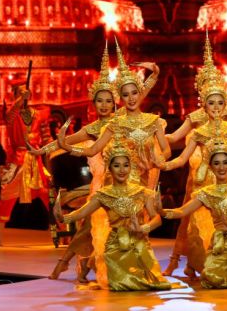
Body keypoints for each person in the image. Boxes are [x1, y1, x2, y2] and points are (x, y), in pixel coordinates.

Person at [30, 43, 159, 282]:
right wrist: (40, 149)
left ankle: (87, 267)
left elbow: (140, 94)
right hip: (103, 182)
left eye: (109, 100)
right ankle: (77, 266)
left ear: (115, 102)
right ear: (94, 102)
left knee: (119, 225)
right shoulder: (93, 128)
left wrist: (155, 74)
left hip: (126, 178)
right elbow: (64, 141)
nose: (104, 105)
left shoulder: (120, 118)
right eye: (99, 101)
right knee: (94, 225)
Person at [161, 33, 227, 277]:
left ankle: (222, 264)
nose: (212, 97)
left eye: (215, 90)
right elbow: (175, 141)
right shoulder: (196, 119)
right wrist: (155, 130)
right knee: (192, 222)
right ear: (201, 92)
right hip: (200, 176)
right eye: (205, 86)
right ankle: (189, 261)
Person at [55, 139, 172, 291]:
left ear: (131, 167)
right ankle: (78, 267)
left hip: (139, 246)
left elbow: (157, 219)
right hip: (115, 249)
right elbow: (81, 213)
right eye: (117, 166)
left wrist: (143, 228)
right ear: (109, 168)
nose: (122, 170)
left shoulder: (143, 193)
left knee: (150, 284)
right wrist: (62, 217)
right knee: (121, 285)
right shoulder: (104, 195)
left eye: (125, 165)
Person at [56, 38, 170, 190]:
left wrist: (158, 160)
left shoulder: (152, 121)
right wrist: (67, 147)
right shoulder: (115, 125)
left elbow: (167, 150)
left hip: (143, 184)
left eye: (134, 93)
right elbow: (92, 150)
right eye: (126, 95)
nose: (131, 98)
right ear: (120, 99)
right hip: (117, 183)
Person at [160, 135, 227, 289]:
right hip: (220, 244)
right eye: (217, 163)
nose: (221, 167)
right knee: (213, 280)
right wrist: (159, 210)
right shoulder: (207, 193)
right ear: (211, 166)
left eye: (225, 162)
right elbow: (181, 212)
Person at [0, 80, 51, 247]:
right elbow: (9, 116)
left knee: (48, 194)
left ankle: (63, 231)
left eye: (26, 93)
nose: (24, 96)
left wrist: (52, 151)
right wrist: (18, 101)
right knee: (6, 195)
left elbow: (46, 138)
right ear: (15, 95)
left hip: (34, 160)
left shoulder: (38, 114)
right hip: (17, 159)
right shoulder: (11, 114)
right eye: (20, 93)